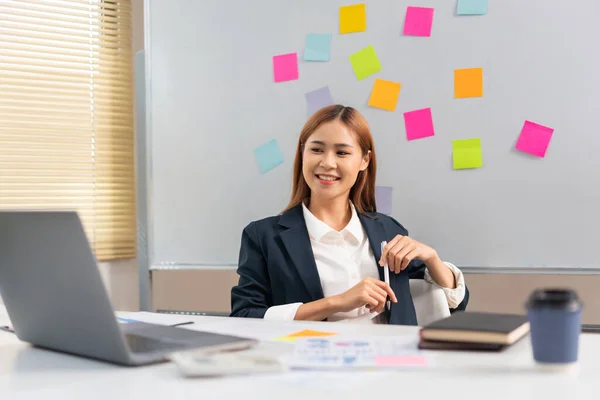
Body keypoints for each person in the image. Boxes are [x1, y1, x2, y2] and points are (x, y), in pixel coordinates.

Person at [230, 105, 468, 325]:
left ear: (364, 160)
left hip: (391, 363)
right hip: (312, 365)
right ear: (302, 153)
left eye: (342, 153)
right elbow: (245, 315)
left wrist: (432, 258)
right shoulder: (263, 237)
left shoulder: (387, 229)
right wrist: (337, 302)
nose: (327, 162)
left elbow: (455, 302)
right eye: (316, 149)